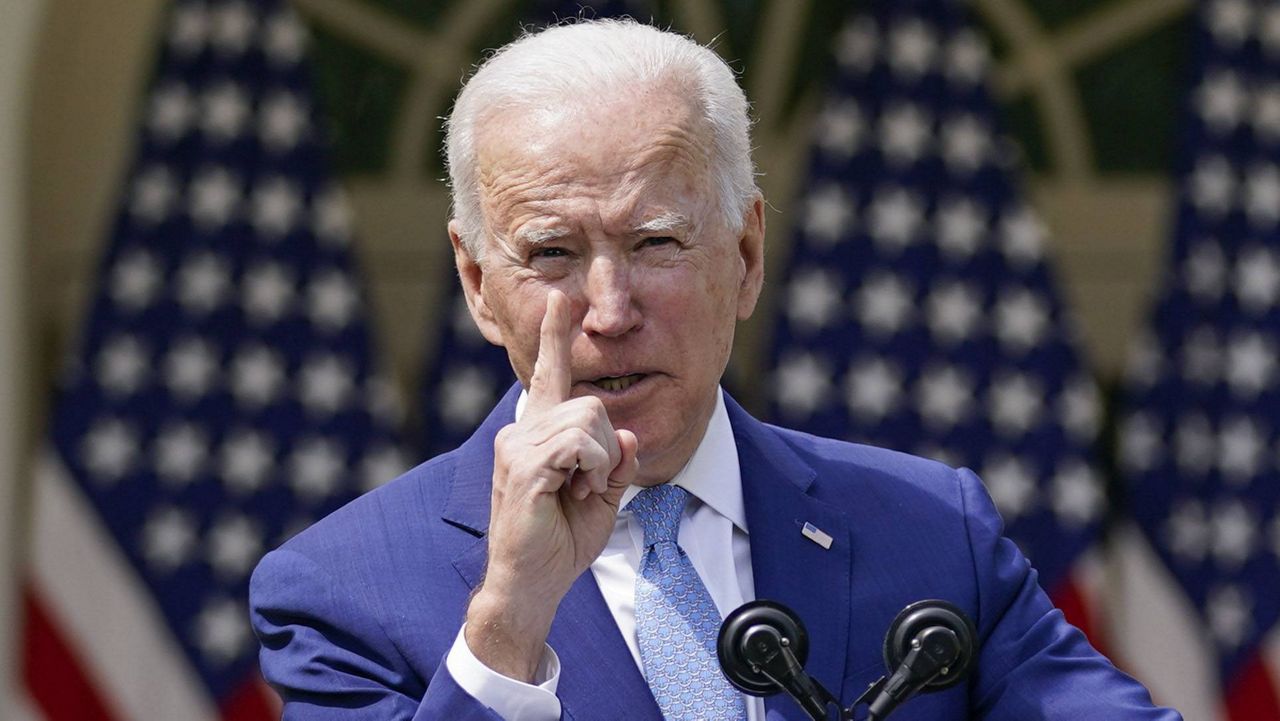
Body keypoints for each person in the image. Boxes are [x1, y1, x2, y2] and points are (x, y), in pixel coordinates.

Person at [250, 19, 1181, 721]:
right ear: (476, 282)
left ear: (744, 254)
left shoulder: (934, 531)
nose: (609, 313)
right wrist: (505, 623)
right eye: (553, 255)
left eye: (654, 241)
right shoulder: (341, 592)